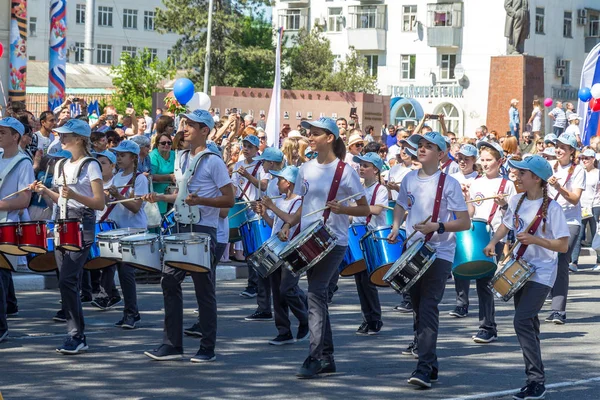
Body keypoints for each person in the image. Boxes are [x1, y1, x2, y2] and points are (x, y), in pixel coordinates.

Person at [278, 117, 370, 379]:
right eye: (309, 133)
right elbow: (305, 206)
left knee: (316, 294)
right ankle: (326, 356)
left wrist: (344, 209)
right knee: (305, 292)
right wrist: (288, 225)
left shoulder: (345, 171)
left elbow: (364, 208)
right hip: (307, 238)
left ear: (329, 138)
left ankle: (315, 355)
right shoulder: (305, 168)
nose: (310, 137)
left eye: (315, 133)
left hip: (333, 240)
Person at [143, 109, 234, 362]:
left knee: (204, 290)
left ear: (204, 130)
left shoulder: (213, 160)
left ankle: (207, 347)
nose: (184, 128)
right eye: (185, 124)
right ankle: (172, 344)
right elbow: (181, 195)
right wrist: (160, 197)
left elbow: (229, 198)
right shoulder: (180, 157)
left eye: (191, 125)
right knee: (169, 281)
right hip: (181, 228)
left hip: (203, 231)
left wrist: (201, 200)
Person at [387, 131, 470, 389]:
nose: (421, 149)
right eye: (420, 146)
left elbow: (464, 221)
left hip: (439, 253)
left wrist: (438, 226)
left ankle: (423, 368)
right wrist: (396, 226)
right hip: (412, 249)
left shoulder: (450, 183)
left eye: (428, 146)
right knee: (417, 306)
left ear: (442, 154)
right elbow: (400, 205)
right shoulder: (409, 178)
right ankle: (430, 363)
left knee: (427, 308)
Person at [483, 155, 569, 400]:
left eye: (522, 173)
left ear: (537, 179)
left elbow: (562, 246)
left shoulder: (552, 208)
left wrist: (535, 240)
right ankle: (535, 378)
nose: (517, 176)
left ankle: (536, 381)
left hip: (541, 273)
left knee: (521, 321)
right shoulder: (517, 199)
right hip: (519, 269)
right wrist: (492, 242)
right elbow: (506, 225)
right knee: (529, 323)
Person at [32, 119, 105, 353]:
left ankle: (76, 335)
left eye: (67, 135)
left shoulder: (91, 165)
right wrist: (46, 191)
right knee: (66, 282)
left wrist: (74, 194)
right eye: (61, 134)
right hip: (62, 223)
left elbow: (99, 203)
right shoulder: (62, 164)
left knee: (67, 280)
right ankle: (75, 334)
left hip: (81, 225)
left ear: (80, 139)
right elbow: (62, 199)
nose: (61, 138)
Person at [452, 141, 516, 344]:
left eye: (489, 160)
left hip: (495, 236)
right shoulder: (477, 182)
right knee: (471, 275)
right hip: (477, 234)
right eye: (483, 160)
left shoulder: (508, 185)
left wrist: (504, 204)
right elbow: (472, 212)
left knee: (484, 283)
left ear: (500, 161)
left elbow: (512, 218)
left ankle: (487, 326)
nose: (485, 164)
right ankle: (485, 324)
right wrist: (464, 200)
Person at [255, 166, 309, 345]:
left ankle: (306, 319)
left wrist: (271, 206)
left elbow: (290, 220)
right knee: (277, 292)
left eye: (280, 180)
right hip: (276, 249)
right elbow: (275, 225)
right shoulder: (280, 201)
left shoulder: (300, 201)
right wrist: (264, 214)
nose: (276, 183)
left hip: (293, 251)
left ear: (289, 183)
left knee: (287, 289)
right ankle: (283, 330)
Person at [100, 141, 148, 328]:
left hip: (133, 230)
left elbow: (136, 207)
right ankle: (128, 310)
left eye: (123, 155)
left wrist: (118, 196)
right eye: (117, 155)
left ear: (134, 158)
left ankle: (131, 313)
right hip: (117, 229)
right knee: (120, 270)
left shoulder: (139, 179)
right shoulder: (117, 176)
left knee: (126, 272)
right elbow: (108, 203)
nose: (118, 158)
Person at [0, 118, 35, 343]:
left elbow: (24, 199)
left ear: (16, 137)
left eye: (3, 132)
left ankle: (1, 326)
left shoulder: (23, 163)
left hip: (7, 225)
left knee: (0, 276)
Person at [545, 132, 584, 322]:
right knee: (547, 260)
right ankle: (551, 295)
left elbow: (575, 199)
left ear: (571, 151)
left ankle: (558, 310)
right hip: (549, 221)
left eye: (562, 147)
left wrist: (559, 187)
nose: (558, 149)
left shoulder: (578, 171)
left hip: (570, 222)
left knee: (561, 261)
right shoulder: (549, 167)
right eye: (557, 146)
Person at [244, 147, 285, 322]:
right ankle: (264, 308)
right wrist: (262, 209)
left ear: (273, 163)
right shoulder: (275, 182)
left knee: (280, 277)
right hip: (272, 225)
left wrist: (267, 209)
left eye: (265, 162)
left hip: (280, 229)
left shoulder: (281, 182)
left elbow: (285, 206)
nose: (262, 165)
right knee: (263, 268)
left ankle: (282, 311)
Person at [349, 152, 387, 335]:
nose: (361, 168)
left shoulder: (381, 189)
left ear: (376, 170)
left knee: (368, 280)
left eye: (366, 165)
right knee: (359, 280)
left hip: (371, 236)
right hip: (358, 235)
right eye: (360, 165)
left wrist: (354, 210)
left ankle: (375, 318)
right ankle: (367, 317)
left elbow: (378, 209)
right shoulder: (358, 189)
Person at [233, 135, 269, 299]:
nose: (246, 149)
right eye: (244, 145)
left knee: (256, 247)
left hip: (257, 209)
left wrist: (248, 176)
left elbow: (264, 185)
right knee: (247, 247)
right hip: (241, 208)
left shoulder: (261, 165)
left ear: (256, 149)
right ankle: (253, 284)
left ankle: (256, 284)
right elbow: (234, 187)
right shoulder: (238, 164)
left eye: (250, 146)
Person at [89, 149, 122, 311]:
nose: (100, 166)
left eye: (103, 163)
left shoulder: (117, 182)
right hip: (98, 224)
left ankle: (104, 295)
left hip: (112, 226)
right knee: (102, 260)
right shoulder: (95, 181)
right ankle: (113, 294)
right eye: (98, 163)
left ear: (112, 165)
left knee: (109, 261)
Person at [571, 148, 600, 272]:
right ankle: (574, 262)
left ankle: (598, 261)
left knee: (596, 234)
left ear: (593, 159)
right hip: (582, 206)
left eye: (587, 158)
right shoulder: (579, 172)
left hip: (595, 205)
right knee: (578, 234)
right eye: (582, 158)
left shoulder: (598, 173)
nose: (584, 160)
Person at [149, 132, 176, 215]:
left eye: (169, 143)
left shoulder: (174, 154)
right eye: (163, 143)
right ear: (157, 144)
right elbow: (151, 176)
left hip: (173, 193)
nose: (166, 145)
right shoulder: (153, 155)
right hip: (157, 194)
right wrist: (169, 177)